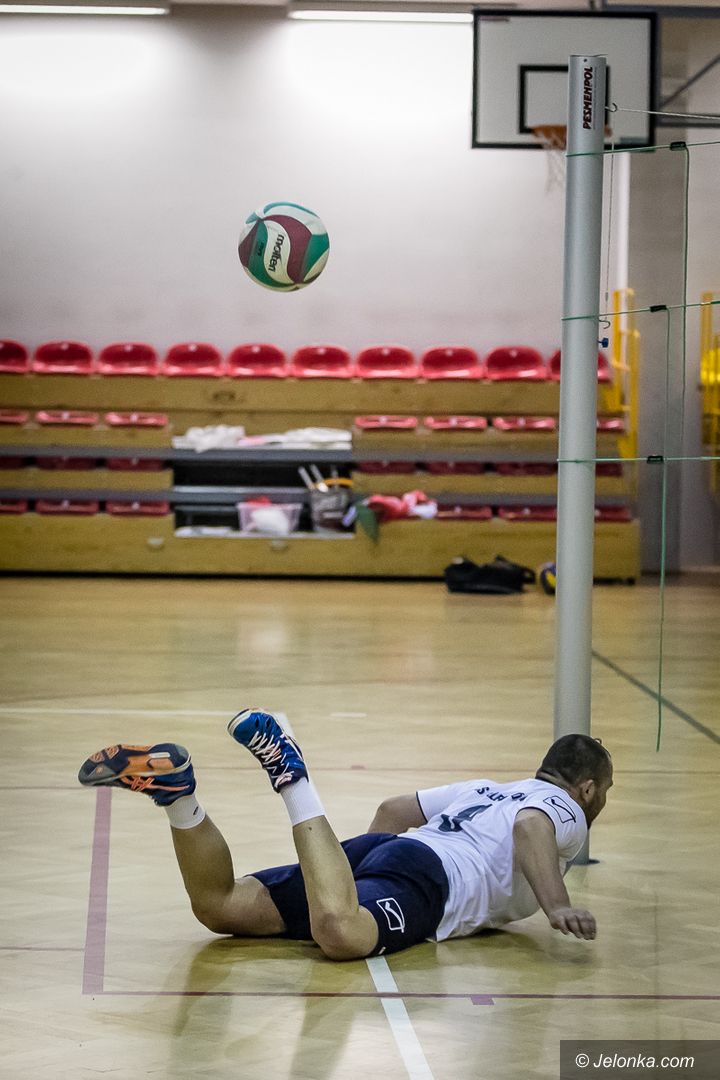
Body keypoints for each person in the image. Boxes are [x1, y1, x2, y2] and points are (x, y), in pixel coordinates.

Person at [78, 710, 613, 960]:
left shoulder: (487, 788)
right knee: (341, 932)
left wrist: (356, 876)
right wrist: (558, 905)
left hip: (390, 852)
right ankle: (291, 774)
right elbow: (530, 827)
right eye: (605, 792)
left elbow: (393, 809)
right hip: (434, 882)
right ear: (587, 788)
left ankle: (177, 796)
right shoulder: (563, 806)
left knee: (221, 907)